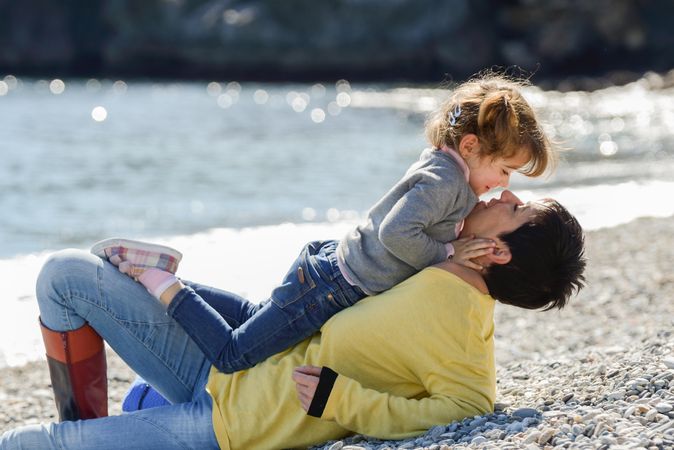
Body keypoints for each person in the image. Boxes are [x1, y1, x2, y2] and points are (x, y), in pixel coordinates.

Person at [0, 190, 586, 450]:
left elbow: (469, 407)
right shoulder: (429, 261)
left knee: (31, 445)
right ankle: (102, 415)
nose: (500, 194)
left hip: (234, 427)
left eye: (512, 207)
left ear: (501, 251)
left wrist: (345, 400)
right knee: (65, 273)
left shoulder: (463, 323)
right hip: (226, 362)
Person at [92, 73, 556, 385]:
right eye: (504, 169)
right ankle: (162, 281)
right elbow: (398, 233)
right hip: (333, 285)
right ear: (471, 145)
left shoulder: (456, 177)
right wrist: (448, 255)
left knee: (257, 315)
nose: (504, 185)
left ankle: (164, 274)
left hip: (332, 272)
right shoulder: (444, 180)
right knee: (234, 355)